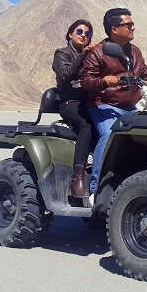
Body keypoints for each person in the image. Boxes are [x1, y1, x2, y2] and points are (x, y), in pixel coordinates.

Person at [80, 8, 147, 195]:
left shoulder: (135, 52)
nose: (133, 28)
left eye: (132, 24)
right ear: (114, 29)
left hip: (133, 107)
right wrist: (104, 81)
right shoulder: (98, 53)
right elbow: (86, 81)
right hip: (104, 106)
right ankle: (95, 189)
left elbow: (146, 75)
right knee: (109, 134)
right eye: (128, 25)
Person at [52, 19, 95, 198]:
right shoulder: (61, 54)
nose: (84, 35)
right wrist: (82, 56)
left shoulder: (91, 56)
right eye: (80, 31)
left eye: (88, 33)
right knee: (87, 125)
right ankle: (77, 179)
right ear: (70, 34)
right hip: (69, 103)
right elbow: (65, 75)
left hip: (88, 102)